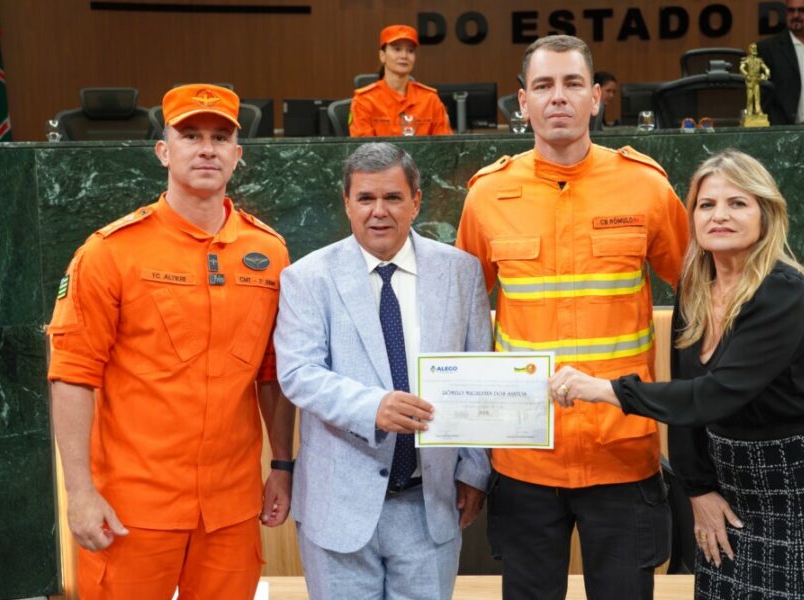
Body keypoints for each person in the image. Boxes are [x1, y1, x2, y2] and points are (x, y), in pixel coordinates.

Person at [550, 149, 804, 599]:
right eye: (707, 205)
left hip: (801, 482)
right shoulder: (694, 288)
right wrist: (698, 490)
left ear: (766, 213)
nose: (719, 215)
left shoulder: (784, 290)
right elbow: (687, 399)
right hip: (727, 482)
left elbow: (715, 395)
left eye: (737, 203)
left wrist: (605, 390)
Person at [455, 35, 689, 600]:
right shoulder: (486, 196)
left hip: (623, 451)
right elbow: (458, 325)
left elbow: (701, 297)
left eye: (572, 84)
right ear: (522, 102)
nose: (557, 97)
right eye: (543, 86)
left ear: (595, 99)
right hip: (525, 459)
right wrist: (467, 456)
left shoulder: (647, 187)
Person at [47, 83, 294, 599]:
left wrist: (283, 466)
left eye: (221, 137)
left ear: (237, 155)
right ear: (164, 151)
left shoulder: (269, 252)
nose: (207, 148)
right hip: (133, 509)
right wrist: (80, 494)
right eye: (191, 135)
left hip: (230, 509)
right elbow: (72, 374)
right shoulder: (110, 252)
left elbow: (274, 374)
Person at [275, 142, 491, 600]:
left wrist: (474, 470)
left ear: (416, 201)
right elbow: (298, 372)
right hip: (339, 507)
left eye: (392, 198)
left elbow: (479, 374)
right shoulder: (307, 277)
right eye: (366, 198)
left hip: (429, 504)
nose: (379, 211)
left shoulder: (461, 272)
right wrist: (373, 406)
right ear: (347, 204)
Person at [349, 25, 452, 137]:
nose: (404, 56)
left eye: (410, 50)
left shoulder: (430, 99)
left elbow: (445, 148)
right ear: (382, 56)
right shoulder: (364, 101)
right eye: (397, 49)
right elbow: (365, 151)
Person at [739, 43, 771, 117]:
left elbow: (765, 68)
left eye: (755, 48)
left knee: (757, 97)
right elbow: (741, 68)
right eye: (753, 48)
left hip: (757, 80)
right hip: (750, 80)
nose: (754, 50)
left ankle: (758, 111)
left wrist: (767, 73)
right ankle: (749, 112)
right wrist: (746, 75)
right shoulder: (747, 59)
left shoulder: (759, 60)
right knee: (750, 97)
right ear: (750, 49)